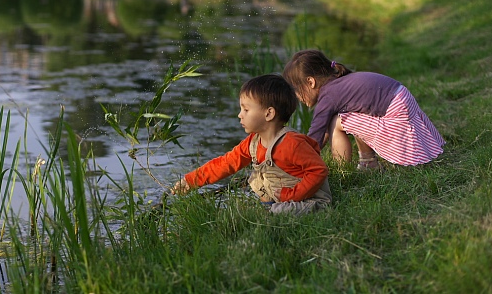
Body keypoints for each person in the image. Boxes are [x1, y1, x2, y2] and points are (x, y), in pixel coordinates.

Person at [171, 74, 332, 215]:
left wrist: (292, 196)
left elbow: (318, 170)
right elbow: (225, 164)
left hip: (308, 200)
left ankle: (274, 211)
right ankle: (270, 207)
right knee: (267, 195)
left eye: (246, 110)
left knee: (279, 213)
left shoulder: (291, 143)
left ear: (269, 113)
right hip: (281, 199)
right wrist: (191, 180)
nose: (239, 115)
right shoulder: (253, 142)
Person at [282, 49, 445, 169]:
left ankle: (343, 170)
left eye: (297, 90)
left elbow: (316, 135)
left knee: (335, 122)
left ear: (310, 82)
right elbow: (321, 136)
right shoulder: (340, 83)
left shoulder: (328, 95)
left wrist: (297, 160)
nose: (297, 97)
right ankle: (368, 163)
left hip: (395, 110)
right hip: (402, 99)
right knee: (346, 117)